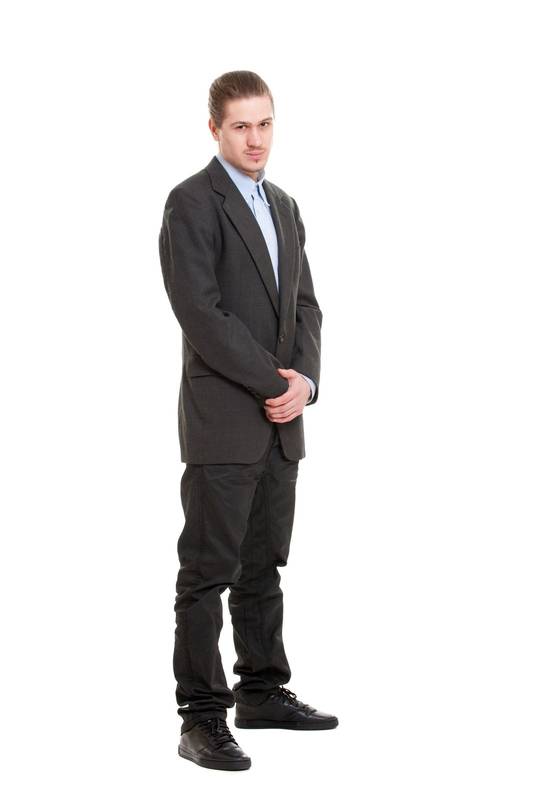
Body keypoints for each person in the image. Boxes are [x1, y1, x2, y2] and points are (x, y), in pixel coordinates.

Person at [158, 70, 338, 771]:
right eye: (240, 126)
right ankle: (201, 717)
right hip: (224, 420)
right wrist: (274, 383)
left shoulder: (285, 205)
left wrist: (305, 385)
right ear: (214, 129)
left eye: (264, 124)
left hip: (280, 422)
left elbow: (307, 307)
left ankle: (261, 690)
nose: (255, 139)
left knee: (263, 565)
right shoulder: (190, 202)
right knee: (207, 573)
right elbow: (201, 313)